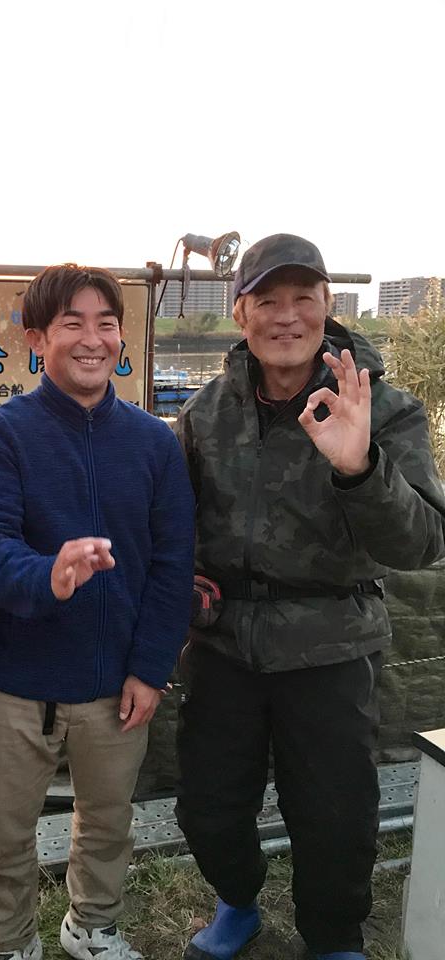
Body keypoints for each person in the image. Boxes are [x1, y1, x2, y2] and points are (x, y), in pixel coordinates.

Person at [174, 233, 445, 960]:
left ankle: (332, 937)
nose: (286, 316)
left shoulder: (383, 408)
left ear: (328, 305)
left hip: (332, 642)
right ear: (240, 313)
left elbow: (422, 543)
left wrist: (361, 468)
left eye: (303, 297)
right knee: (208, 803)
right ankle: (237, 903)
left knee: (335, 813)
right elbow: (173, 523)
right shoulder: (205, 412)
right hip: (223, 640)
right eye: (267, 299)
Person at [0, 263, 195, 960]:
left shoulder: (154, 442)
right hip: (16, 683)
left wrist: (151, 667)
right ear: (37, 339)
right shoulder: (2, 434)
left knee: (108, 822)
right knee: (5, 833)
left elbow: (173, 563)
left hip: (116, 681)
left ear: (121, 336)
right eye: (72, 324)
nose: (93, 340)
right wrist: (48, 576)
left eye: (106, 324)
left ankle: (92, 925)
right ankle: (10, 942)